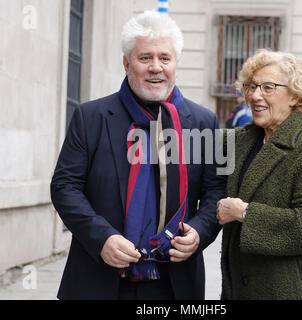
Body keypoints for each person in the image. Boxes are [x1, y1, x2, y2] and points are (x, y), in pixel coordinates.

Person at [51, 10, 225, 300]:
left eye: (164, 58)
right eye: (145, 58)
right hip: (98, 280)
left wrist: (198, 232)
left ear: (175, 64)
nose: (155, 67)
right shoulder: (90, 116)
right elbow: (64, 187)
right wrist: (101, 238)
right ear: (126, 63)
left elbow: (216, 191)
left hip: (175, 284)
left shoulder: (204, 121)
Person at [216, 49, 302, 300]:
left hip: (294, 291)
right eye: (251, 87)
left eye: (268, 88)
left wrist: (244, 212)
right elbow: (191, 147)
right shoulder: (246, 138)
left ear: (295, 95)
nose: (255, 95)